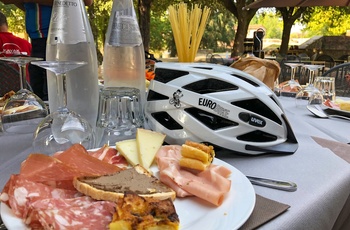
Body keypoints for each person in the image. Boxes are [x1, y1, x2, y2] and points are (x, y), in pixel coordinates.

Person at [1, 0, 94, 101]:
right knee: (38, 99)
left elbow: (87, 1)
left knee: (54, 97)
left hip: (63, 38)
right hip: (36, 38)